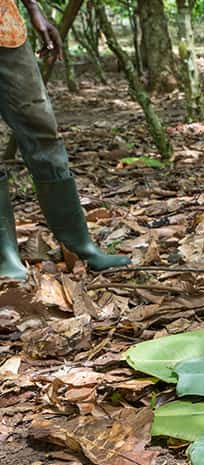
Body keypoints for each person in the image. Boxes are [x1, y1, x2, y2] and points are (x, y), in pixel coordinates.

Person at [0, 0, 129, 281]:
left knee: (41, 127)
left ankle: (79, 246)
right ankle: (5, 257)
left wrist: (33, 8)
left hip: (5, 29)